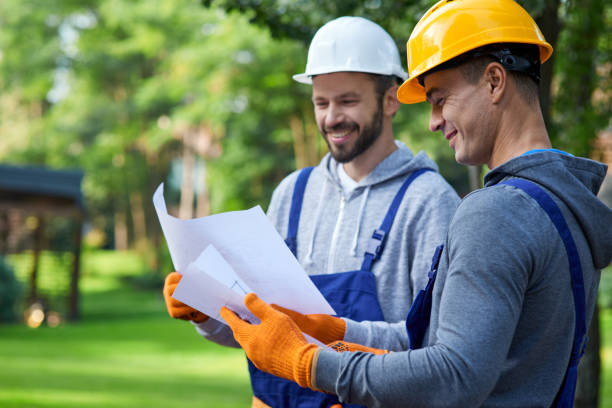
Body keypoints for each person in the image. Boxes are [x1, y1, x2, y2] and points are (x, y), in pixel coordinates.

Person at [219, 1, 612, 407]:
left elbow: (453, 375)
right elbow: (430, 340)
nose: (433, 120)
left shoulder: (496, 212)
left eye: (440, 98)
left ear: (495, 81)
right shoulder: (563, 202)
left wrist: (308, 363)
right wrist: (334, 332)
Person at [163, 16, 460, 408]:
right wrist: (207, 314)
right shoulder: (292, 193)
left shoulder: (428, 202)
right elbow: (258, 327)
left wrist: (341, 336)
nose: (332, 117)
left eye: (348, 101)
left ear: (391, 99)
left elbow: (436, 349)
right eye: (321, 102)